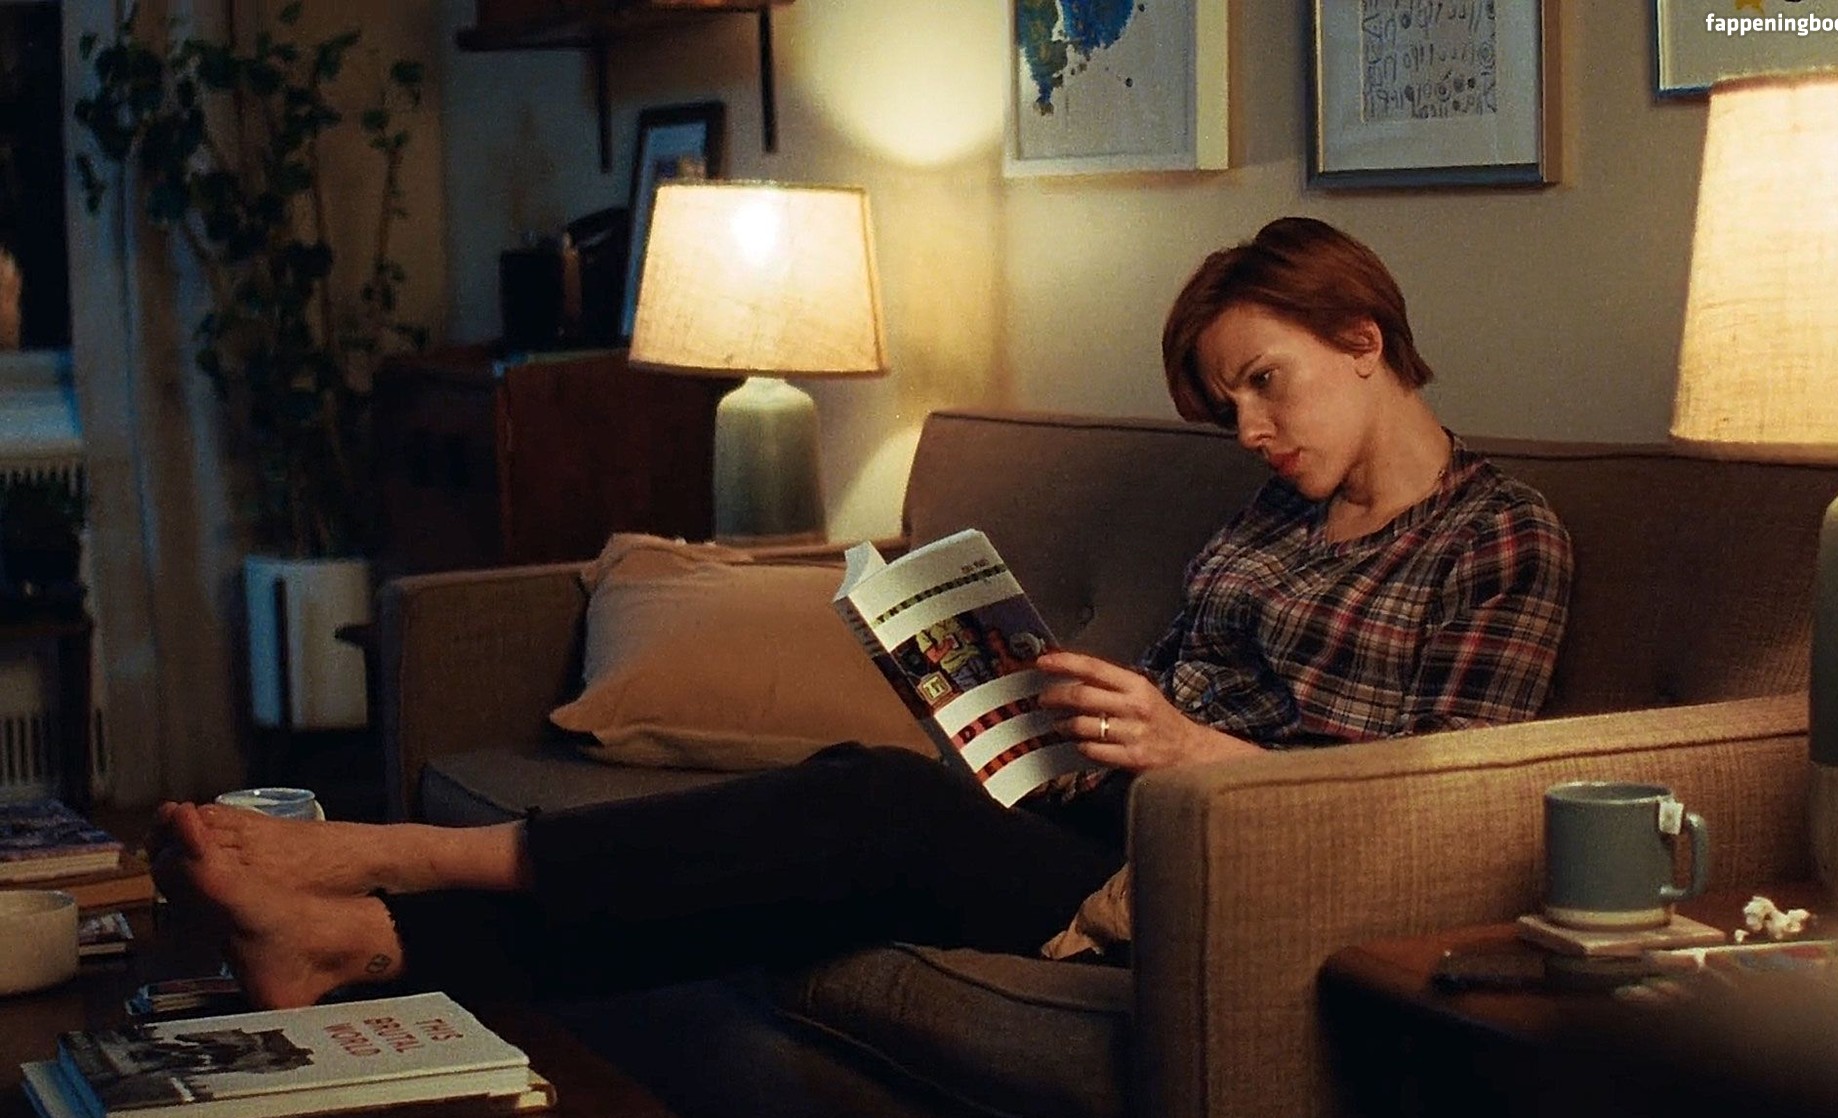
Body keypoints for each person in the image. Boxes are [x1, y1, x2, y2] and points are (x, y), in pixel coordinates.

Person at [149, 217, 1572, 1010]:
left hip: (1230, 872)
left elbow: (1444, 803)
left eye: (1264, 383)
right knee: (838, 806)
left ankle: (389, 862)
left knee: (869, 814)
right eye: (1227, 404)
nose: (1250, 429)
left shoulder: (1499, 536)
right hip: (1109, 819)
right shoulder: (1273, 516)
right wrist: (1031, 707)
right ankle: (370, 946)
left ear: (1363, 341)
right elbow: (1162, 705)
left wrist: (1192, 753)